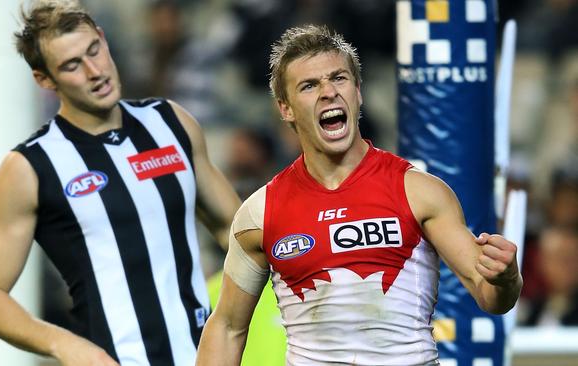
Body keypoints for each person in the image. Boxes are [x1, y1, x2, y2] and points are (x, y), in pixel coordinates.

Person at [196, 25, 522, 365]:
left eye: (338, 78)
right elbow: (227, 327)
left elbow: (491, 297)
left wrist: (507, 277)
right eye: (309, 85)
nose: (328, 92)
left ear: (358, 92)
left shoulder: (419, 191)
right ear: (286, 109)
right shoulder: (260, 213)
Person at [0, 1, 240, 366]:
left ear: (104, 39)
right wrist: (64, 344)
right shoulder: (29, 168)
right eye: (72, 65)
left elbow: (235, 230)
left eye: (94, 50)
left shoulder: (172, 123)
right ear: (45, 80)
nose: (95, 71)